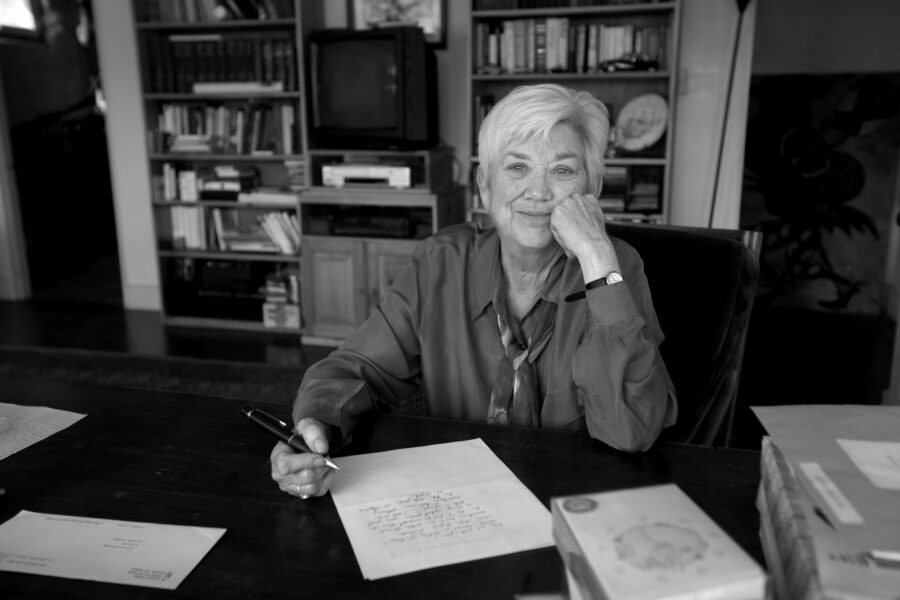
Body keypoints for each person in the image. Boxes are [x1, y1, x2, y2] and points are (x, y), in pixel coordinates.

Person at [271, 83, 677, 499]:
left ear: (590, 192)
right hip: (455, 500)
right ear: (485, 186)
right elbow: (355, 369)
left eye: (562, 171)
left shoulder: (614, 269)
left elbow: (632, 431)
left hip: (573, 502)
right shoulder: (440, 263)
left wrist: (596, 258)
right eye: (517, 167)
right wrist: (315, 427)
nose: (538, 192)